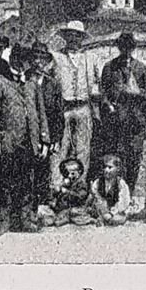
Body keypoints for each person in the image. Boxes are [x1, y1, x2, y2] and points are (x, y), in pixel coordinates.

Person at [0, 44, 51, 232]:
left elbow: (41, 113)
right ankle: (3, 219)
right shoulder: (0, 82)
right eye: (17, 59)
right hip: (9, 140)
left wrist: (44, 140)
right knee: (5, 180)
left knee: (27, 181)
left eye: (24, 60)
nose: (21, 64)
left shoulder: (32, 84)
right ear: (11, 60)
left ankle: (25, 219)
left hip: (29, 140)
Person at [98, 32, 146, 192]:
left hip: (136, 121)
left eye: (129, 47)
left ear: (133, 48)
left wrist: (137, 93)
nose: (126, 50)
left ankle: (129, 193)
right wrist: (108, 106)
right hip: (116, 121)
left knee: (134, 158)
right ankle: (115, 193)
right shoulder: (110, 67)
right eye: (123, 47)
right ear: (119, 47)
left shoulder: (141, 67)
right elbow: (103, 92)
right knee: (116, 158)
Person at [50, 20, 102, 188]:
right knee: (60, 147)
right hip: (63, 109)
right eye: (70, 35)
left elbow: (98, 83)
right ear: (65, 37)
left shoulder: (90, 58)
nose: (73, 39)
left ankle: (79, 187)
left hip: (83, 107)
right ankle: (57, 186)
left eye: (77, 36)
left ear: (81, 38)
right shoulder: (56, 57)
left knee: (83, 148)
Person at [29, 41, 64, 208]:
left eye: (41, 58)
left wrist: (56, 138)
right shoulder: (24, 80)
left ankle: (42, 205)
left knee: (44, 170)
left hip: (47, 134)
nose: (38, 62)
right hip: (28, 134)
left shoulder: (53, 84)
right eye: (35, 57)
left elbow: (58, 114)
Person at [42, 157, 93, 227]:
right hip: (60, 208)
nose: (69, 176)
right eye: (67, 173)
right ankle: (56, 218)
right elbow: (56, 195)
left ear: (79, 172)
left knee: (72, 212)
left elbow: (80, 196)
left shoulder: (81, 184)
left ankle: (62, 220)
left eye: (72, 173)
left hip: (74, 208)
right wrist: (56, 190)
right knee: (44, 209)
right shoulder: (66, 183)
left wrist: (67, 191)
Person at [88, 154, 132, 226]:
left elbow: (123, 201)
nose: (106, 170)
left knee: (118, 218)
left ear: (118, 169)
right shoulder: (98, 182)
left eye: (110, 167)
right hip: (101, 209)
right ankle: (100, 219)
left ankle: (105, 220)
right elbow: (96, 197)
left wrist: (112, 213)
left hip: (115, 211)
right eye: (104, 167)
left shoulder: (121, 183)